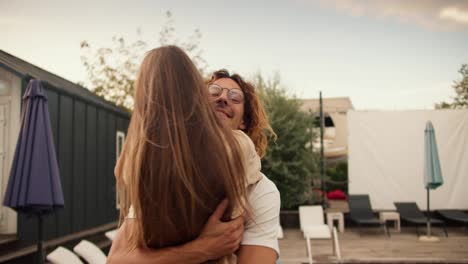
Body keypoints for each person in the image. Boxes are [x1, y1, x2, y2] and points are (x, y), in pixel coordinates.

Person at [108, 67, 280, 263]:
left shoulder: (260, 191)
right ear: (195, 107)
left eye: (235, 98)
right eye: (214, 92)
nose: (223, 98)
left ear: (243, 122)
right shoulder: (164, 175)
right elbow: (117, 259)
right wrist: (203, 249)